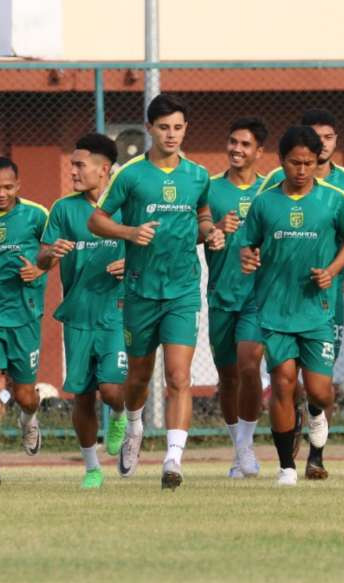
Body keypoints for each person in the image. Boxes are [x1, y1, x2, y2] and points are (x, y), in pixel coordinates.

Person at [88, 93, 223, 490]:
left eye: (178, 127)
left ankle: (173, 461)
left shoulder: (197, 175)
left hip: (182, 290)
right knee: (140, 378)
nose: (171, 134)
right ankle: (133, 425)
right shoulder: (131, 175)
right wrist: (130, 232)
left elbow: (201, 216)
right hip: (140, 291)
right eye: (164, 127)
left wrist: (211, 233)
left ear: (186, 130)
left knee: (179, 376)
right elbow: (97, 219)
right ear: (149, 128)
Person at [238, 126, 344, 486]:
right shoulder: (265, 202)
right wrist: (248, 258)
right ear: (282, 161)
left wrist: (333, 272)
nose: (302, 170)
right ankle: (287, 467)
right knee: (283, 383)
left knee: (319, 390)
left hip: (317, 309)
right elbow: (247, 245)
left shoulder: (334, 199)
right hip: (275, 310)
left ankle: (317, 427)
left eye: (309, 163)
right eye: (295, 162)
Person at [38, 133, 128, 489]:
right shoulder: (63, 209)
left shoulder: (127, 205)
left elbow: (150, 247)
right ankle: (92, 467)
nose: (72, 170)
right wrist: (51, 253)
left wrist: (130, 261)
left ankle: (120, 414)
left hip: (118, 311)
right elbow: (41, 260)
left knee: (110, 389)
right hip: (78, 314)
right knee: (83, 394)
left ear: (104, 169)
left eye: (79, 165)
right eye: (72, 164)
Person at [0, 157, 49, 485]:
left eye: (7, 187)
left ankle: (29, 416)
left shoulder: (36, 215)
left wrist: (40, 269)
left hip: (25, 315)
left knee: (24, 393)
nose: (0, 193)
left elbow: (52, 252)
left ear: (18, 185)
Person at [206, 117, 268, 479]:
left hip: (257, 296)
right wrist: (215, 230)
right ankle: (238, 449)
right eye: (232, 142)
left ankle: (246, 446)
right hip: (221, 294)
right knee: (228, 378)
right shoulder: (211, 190)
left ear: (259, 151)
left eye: (245, 144)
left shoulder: (270, 190)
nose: (237, 149)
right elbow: (194, 234)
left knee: (249, 366)